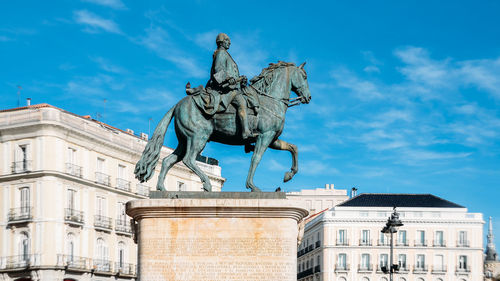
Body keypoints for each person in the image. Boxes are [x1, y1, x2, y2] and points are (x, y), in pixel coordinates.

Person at [205, 33, 252, 139]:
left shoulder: (225, 54)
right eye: (227, 40)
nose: (229, 42)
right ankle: (245, 131)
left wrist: (240, 81)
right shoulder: (221, 53)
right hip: (226, 89)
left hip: (232, 86)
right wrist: (228, 79)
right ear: (221, 42)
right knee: (242, 102)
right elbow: (217, 69)